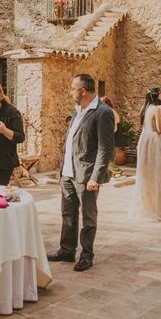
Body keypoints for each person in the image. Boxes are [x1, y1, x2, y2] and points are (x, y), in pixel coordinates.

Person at [47, 74, 114, 272]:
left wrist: (96, 177)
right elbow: (71, 141)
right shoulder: (78, 110)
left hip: (86, 175)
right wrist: (62, 169)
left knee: (88, 216)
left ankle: (86, 255)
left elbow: (105, 148)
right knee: (68, 213)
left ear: (82, 91)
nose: (70, 92)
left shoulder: (103, 112)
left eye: (72, 89)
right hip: (68, 172)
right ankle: (67, 250)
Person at [129, 87, 161, 222]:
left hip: (145, 139)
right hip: (154, 141)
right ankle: (159, 209)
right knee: (158, 173)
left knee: (147, 174)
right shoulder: (156, 109)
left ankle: (149, 207)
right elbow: (160, 129)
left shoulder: (146, 108)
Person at [100, 96, 123, 178]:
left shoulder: (111, 112)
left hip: (113, 140)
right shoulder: (111, 111)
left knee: (106, 159)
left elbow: (114, 128)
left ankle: (119, 172)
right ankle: (108, 178)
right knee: (111, 160)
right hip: (114, 140)